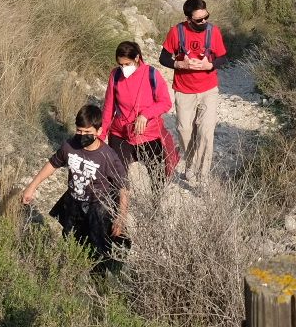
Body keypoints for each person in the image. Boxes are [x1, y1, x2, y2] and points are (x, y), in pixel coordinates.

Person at [19, 104, 127, 260]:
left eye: (88, 132)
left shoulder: (108, 157)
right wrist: (31, 187)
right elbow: (52, 164)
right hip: (73, 203)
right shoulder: (69, 146)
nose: (82, 136)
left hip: (97, 209)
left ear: (99, 131)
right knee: (70, 243)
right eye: (79, 130)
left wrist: (121, 217)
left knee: (97, 252)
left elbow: (123, 187)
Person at [160, 0, 227, 182]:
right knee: (184, 130)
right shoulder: (176, 32)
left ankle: (203, 175)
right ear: (188, 19)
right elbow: (163, 58)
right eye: (199, 20)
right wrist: (179, 64)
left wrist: (210, 65)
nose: (204, 21)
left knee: (206, 132)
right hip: (184, 90)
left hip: (208, 90)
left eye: (206, 17)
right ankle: (190, 164)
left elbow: (223, 57)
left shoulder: (213, 32)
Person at [102, 40, 177, 179]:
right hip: (121, 133)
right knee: (116, 176)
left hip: (149, 134)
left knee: (157, 176)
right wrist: (101, 136)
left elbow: (165, 102)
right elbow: (108, 108)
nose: (123, 68)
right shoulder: (115, 75)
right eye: (121, 65)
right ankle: (120, 200)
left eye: (127, 64)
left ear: (136, 58)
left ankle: (155, 201)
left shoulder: (151, 74)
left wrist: (145, 115)